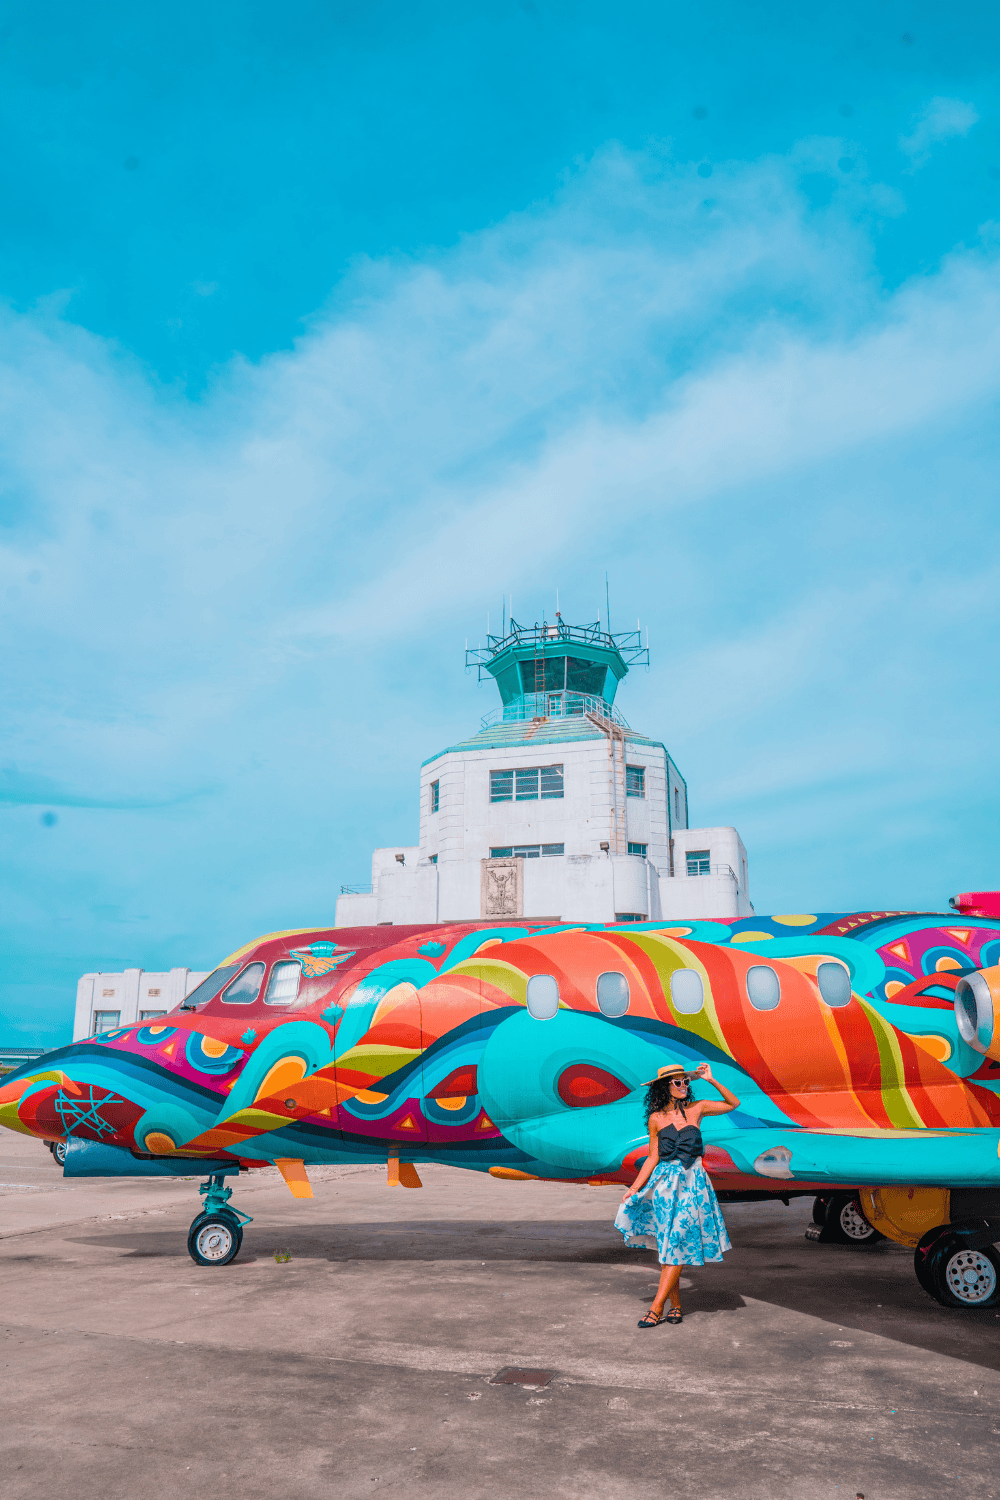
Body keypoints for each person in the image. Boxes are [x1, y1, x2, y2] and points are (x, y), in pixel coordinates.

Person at [614, 1061, 739, 1327]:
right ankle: (676, 1306)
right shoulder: (656, 1119)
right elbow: (651, 1158)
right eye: (677, 1082)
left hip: (694, 1184)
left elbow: (733, 1103)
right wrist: (634, 1190)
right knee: (669, 1248)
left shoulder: (698, 1108)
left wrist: (711, 1080)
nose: (684, 1086)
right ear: (665, 1087)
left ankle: (656, 1307)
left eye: (686, 1082)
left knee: (678, 1241)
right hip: (665, 1186)